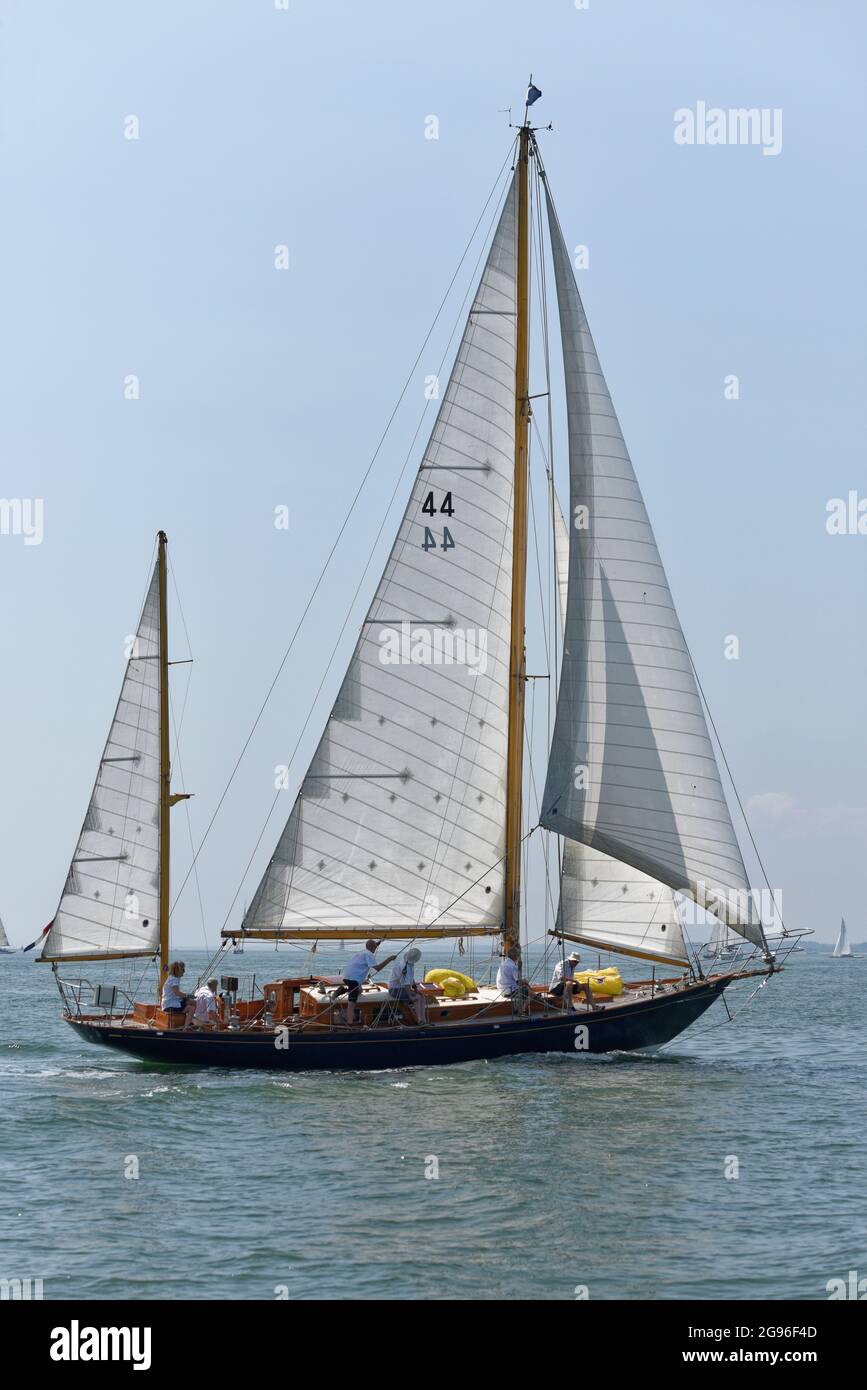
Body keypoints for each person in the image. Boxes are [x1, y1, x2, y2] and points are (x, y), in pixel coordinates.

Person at [335, 939, 398, 1025]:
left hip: (346, 977)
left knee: (360, 991)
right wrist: (389, 959)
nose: (376, 949)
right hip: (354, 979)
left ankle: (343, 990)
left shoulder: (362, 952)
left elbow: (372, 945)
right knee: (352, 1002)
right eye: (375, 947)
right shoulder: (369, 954)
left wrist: (378, 942)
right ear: (371, 947)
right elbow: (378, 968)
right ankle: (350, 1023)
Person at [388, 947, 425, 1023]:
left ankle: (423, 1018)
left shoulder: (409, 964)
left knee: (422, 996)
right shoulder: (404, 966)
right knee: (417, 998)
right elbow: (406, 984)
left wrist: (416, 990)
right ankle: (420, 1020)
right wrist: (411, 996)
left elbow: (411, 978)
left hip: (402, 988)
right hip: (395, 990)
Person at [496, 944, 530, 1013]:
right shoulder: (512, 966)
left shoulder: (504, 963)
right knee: (529, 993)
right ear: (515, 956)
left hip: (502, 990)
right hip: (509, 991)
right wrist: (526, 982)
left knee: (526, 988)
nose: (519, 957)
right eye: (518, 955)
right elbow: (519, 981)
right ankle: (522, 1010)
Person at [161, 961, 195, 1028]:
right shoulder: (174, 980)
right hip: (170, 1005)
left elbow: (176, 993)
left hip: (170, 1002)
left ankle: (189, 1020)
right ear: (177, 970)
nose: (184, 971)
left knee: (192, 1002)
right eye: (182, 969)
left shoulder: (173, 977)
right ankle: (186, 1027)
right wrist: (188, 995)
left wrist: (186, 997)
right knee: (192, 1008)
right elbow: (177, 993)